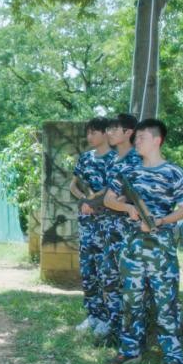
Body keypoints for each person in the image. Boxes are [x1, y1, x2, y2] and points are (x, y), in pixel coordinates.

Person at [104, 119, 183, 364]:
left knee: (166, 302)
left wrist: (161, 221)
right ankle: (130, 350)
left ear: (157, 140)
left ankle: (173, 358)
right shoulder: (128, 170)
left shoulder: (173, 172)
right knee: (131, 299)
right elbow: (109, 199)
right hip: (132, 245)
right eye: (137, 137)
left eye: (142, 137)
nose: (137, 141)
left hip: (160, 247)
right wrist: (128, 208)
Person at [95, 113, 141, 343]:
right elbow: (111, 196)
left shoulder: (138, 159)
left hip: (130, 230)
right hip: (109, 228)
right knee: (109, 277)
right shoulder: (113, 160)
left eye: (114, 129)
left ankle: (131, 330)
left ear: (128, 132)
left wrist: (119, 201)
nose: (109, 133)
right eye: (108, 129)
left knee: (130, 281)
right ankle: (113, 324)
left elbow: (137, 195)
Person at [71, 118, 115, 334]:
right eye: (87, 133)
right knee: (88, 271)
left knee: (107, 271)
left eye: (93, 132)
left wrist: (94, 201)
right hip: (87, 223)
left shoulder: (116, 159)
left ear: (105, 133)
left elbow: (113, 189)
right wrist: (84, 200)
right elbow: (73, 186)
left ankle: (108, 317)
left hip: (107, 223)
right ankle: (93, 315)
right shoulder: (85, 158)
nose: (89, 137)